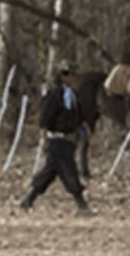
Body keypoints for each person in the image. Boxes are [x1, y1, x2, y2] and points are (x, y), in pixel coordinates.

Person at [19, 60, 95, 216]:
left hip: (68, 138)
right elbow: (45, 119)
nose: (75, 78)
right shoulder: (54, 95)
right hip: (56, 139)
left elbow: (78, 115)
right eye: (72, 75)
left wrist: (84, 128)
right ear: (64, 76)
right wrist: (44, 138)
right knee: (69, 170)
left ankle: (28, 199)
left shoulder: (73, 95)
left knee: (50, 172)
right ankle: (80, 203)